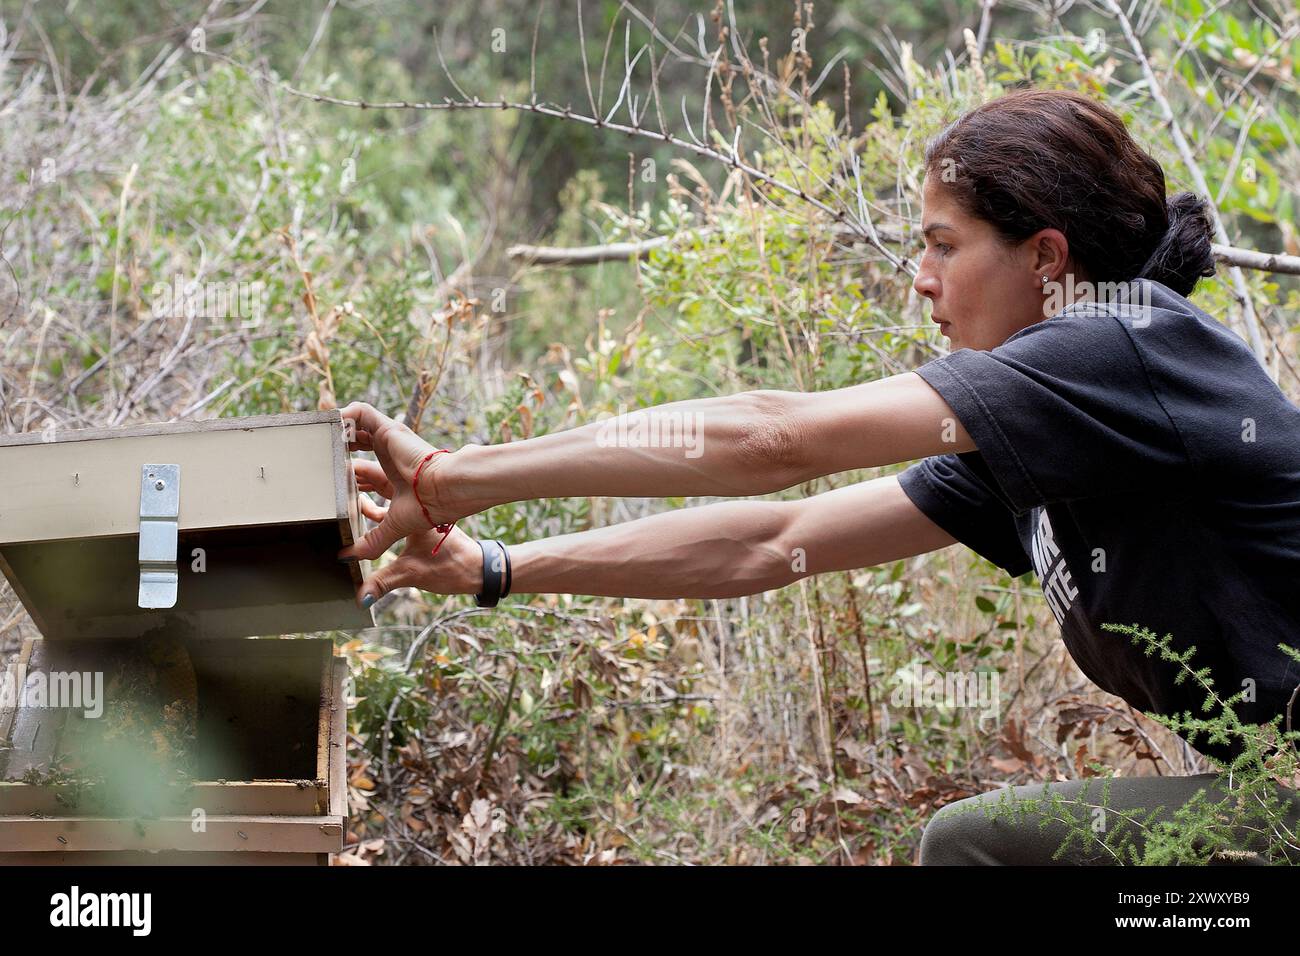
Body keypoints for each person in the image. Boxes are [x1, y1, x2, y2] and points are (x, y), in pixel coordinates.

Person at [335, 88, 1300, 865]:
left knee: (975, 847)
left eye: (943, 244)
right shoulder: (1054, 424)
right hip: (1273, 800)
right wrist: (494, 567)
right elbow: (776, 541)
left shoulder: (1121, 347)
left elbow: (776, 439)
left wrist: (459, 475)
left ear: (1046, 257)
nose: (921, 277)